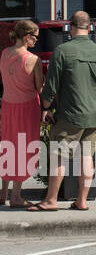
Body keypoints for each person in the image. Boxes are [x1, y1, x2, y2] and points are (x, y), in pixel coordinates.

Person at [29, 11, 96, 212]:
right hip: (93, 114)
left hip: (70, 114)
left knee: (59, 155)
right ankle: (82, 201)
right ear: (89, 28)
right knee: (87, 156)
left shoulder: (63, 51)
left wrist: (46, 107)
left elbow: (51, 85)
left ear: (71, 28)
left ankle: (51, 200)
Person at [1, 20, 44, 208]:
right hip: (26, 108)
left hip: (8, 106)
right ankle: (16, 197)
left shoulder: (4, 54)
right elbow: (39, 87)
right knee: (23, 149)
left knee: (7, 147)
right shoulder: (33, 60)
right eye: (35, 37)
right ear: (27, 36)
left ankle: (3, 193)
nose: (36, 40)